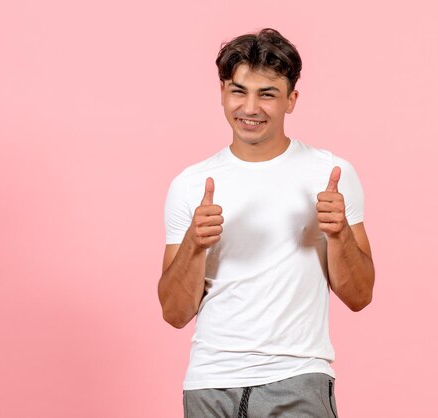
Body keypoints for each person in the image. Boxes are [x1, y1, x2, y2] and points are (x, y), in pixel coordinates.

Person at [158, 28, 375, 417]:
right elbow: (174, 314)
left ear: (291, 100)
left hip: (297, 378)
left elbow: (360, 296)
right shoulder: (190, 184)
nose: (250, 107)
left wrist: (339, 234)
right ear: (223, 93)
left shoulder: (331, 173)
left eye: (267, 94)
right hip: (209, 383)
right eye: (239, 91)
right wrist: (193, 243)